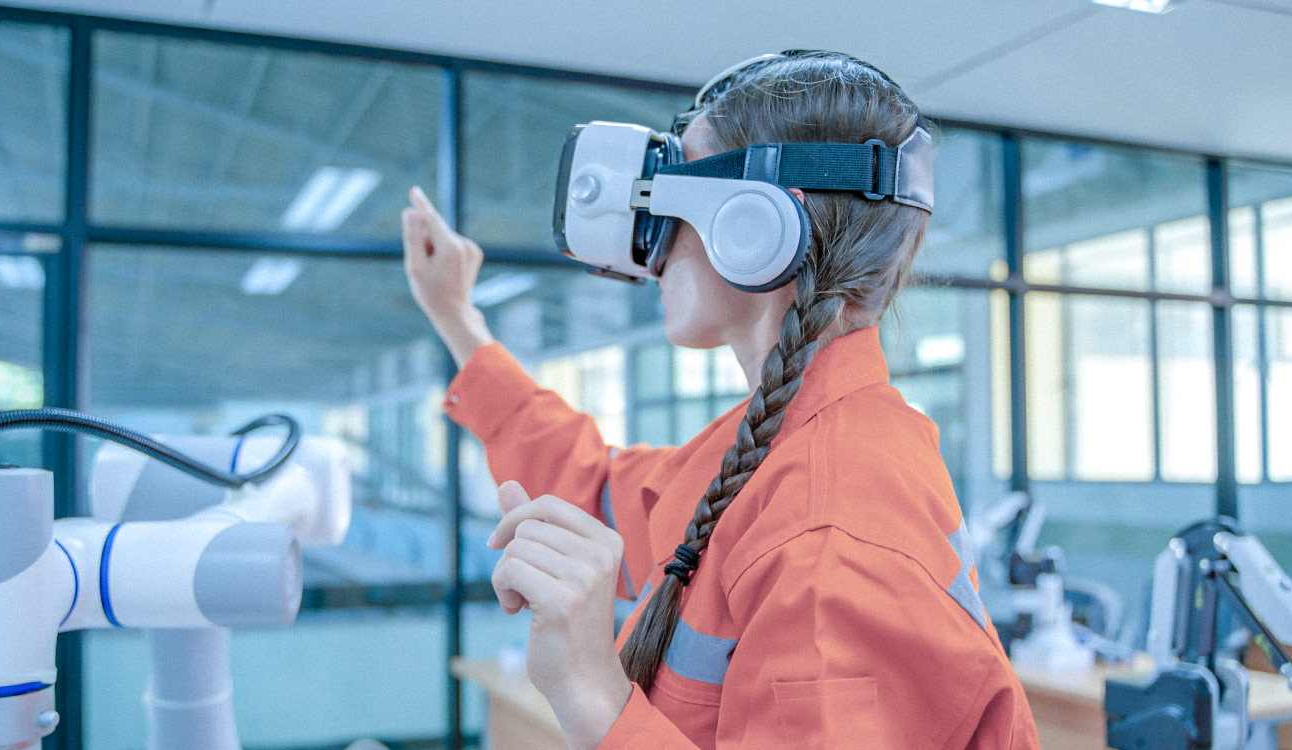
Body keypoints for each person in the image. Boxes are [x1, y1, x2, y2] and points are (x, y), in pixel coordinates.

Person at [401, 50, 1039, 750]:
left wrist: (591, 691)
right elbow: (597, 490)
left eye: (677, 192)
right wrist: (458, 321)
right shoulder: (769, 447)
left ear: (755, 227)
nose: (654, 245)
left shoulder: (831, 531)